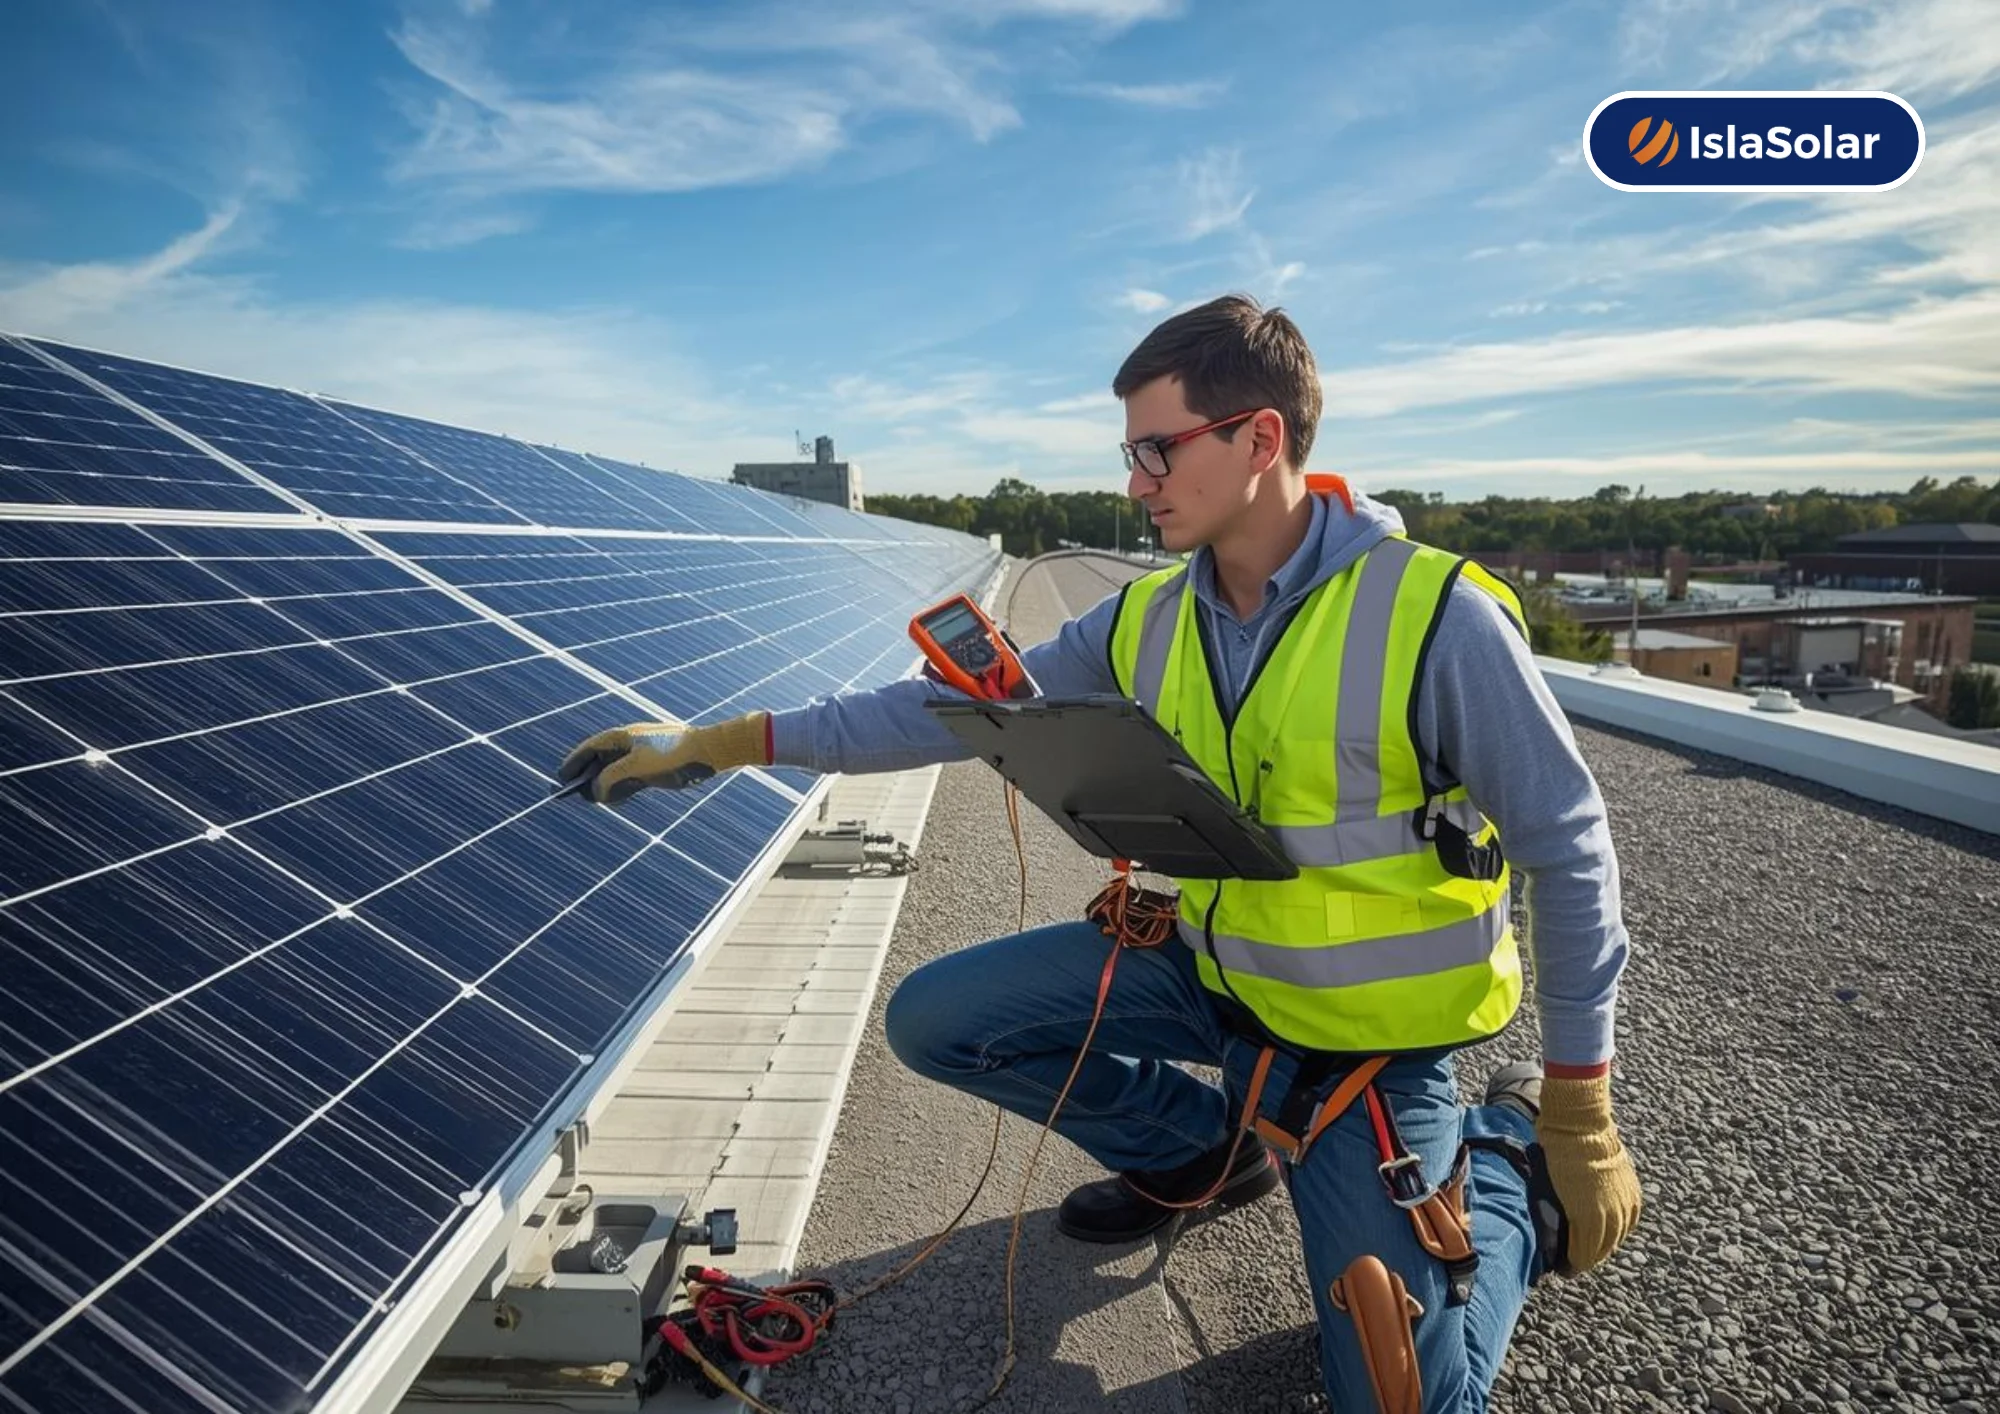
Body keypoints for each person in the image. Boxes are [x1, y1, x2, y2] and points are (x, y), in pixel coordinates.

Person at [559, 294, 1641, 1411]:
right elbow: (950, 709)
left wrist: (1578, 1104)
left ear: (1258, 438)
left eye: (1155, 450)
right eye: (1131, 454)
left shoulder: (1435, 617)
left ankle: (1504, 1164)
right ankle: (1198, 1154)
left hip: (1367, 1046)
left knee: (1402, 1398)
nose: (1135, 482)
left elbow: (1568, 852)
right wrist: (728, 742)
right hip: (1215, 979)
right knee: (937, 1019)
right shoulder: (1148, 618)